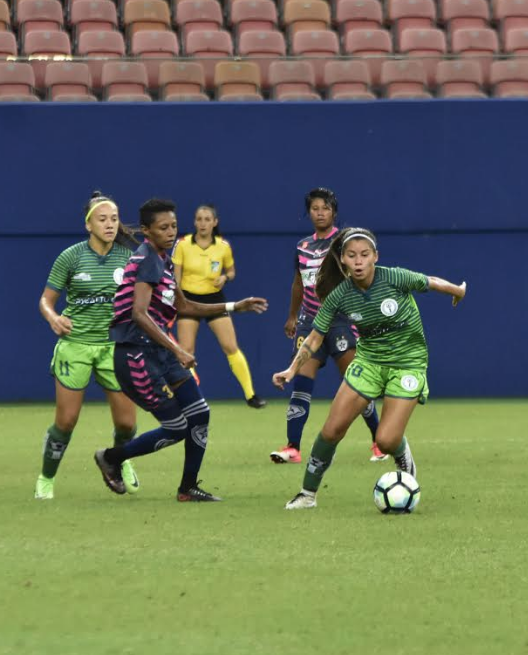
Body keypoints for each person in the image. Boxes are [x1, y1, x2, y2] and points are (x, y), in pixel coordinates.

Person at [272, 227, 467, 510]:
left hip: (408, 363)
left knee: (386, 440)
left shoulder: (393, 276)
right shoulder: (339, 295)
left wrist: (457, 290)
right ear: (343, 260)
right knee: (331, 430)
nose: (359, 261)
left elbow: (430, 281)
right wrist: (291, 370)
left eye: (365, 254)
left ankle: (402, 453)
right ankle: (307, 494)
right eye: (352, 256)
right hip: (369, 362)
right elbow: (314, 337)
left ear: (375, 256)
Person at [92, 198, 268, 502]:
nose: (171, 231)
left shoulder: (166, 259)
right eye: (163, 227)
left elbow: (183, 305)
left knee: (200, 414)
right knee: (177, 427)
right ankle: (111, 457)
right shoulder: (147, 258)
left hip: (159, 353)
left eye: (173, 225)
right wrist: (179, 349)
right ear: (147, 231)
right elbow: (139, 313)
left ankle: (188, 488)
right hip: (136, 355)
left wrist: (233, 306)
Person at [35, 192, 140, 500]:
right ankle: (46, 477)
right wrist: (53, 318)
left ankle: (121, 460)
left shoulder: (128, 258)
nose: (109, 224)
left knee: (126, 423)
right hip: (76, 346)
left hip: (114, 347)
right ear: (88, 224)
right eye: (102, 219)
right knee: (66, 422)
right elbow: (45, 300)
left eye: (114, 219)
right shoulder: (70, 257)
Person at [272, 188, 385, 465]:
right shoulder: (302, 246)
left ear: (334, 211)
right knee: (300, 382)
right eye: (315, 208)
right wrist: (291, 316)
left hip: (341, 321)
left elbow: (362, 273)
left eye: (325, 208)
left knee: (358, 384)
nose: (320, 212)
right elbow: (299, 283)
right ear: (308, 213)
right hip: (309, 322)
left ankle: (379, 442)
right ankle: (292, 447)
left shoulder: (344, 242)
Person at [173, 204, 266, 409]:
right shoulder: (182, 245)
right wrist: (178, 302)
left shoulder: (223, 246)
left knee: (230, 347)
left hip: (214, 299)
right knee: (186, 351)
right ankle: (189, 398)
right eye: (199, 219)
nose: (203, 223)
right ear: (194, 222)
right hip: (188, 300)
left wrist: (225, 277)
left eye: (207, 219)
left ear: (215, 222)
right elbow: (175, 279)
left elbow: (231, 272)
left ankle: (251, 395)